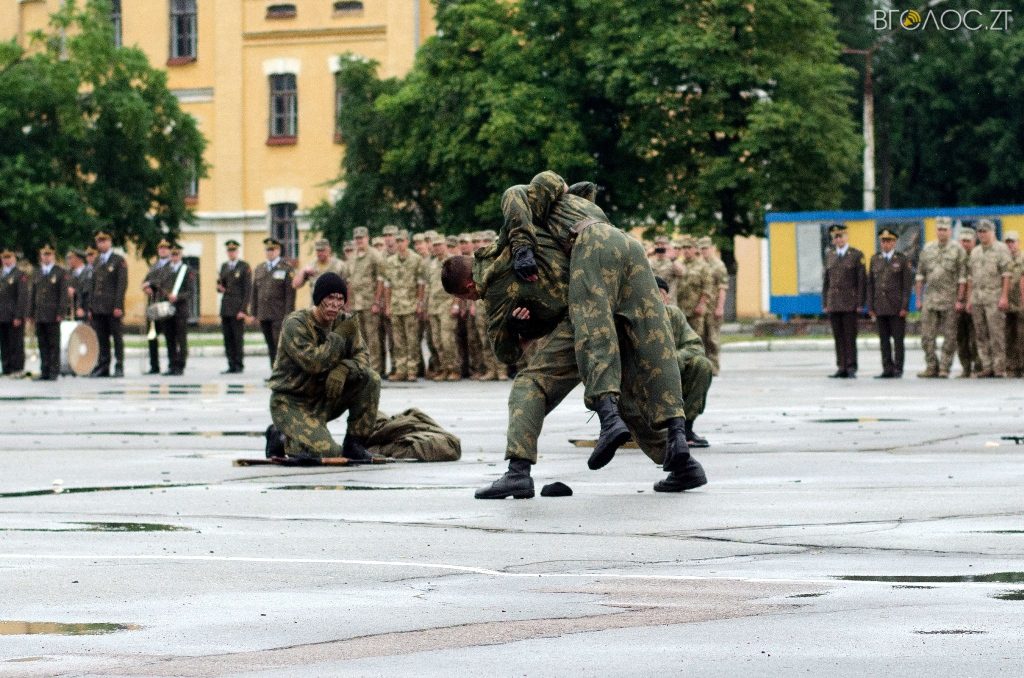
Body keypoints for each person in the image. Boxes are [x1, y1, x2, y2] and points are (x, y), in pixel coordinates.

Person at [444, 172, 700, 496]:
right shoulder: (539, 220)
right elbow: (550, 184)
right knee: (653, 352)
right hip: (627, 252)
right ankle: (679, 454)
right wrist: (527, 320)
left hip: (587, 292)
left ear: (467, 286)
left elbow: (505, 353)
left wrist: (517, 327)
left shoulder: (496, 281)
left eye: (468, 297)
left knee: (532, 383)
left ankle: (520, 469)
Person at [267, 273, 377, 462]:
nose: (335, 304)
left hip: (324, 396)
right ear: (319, 299)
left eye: (340, 299)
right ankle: (281, 436)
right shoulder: (296, 324)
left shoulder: (345, 322)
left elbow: (363, 357)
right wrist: (339, 337)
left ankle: (355, 443)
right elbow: (314, 363)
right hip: (291, 401)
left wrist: (344, 368)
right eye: (330, 298)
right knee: (329, 453)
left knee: (370, 378)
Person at [656, 276, 714, 447]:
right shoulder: (633, 317)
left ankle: (684, 428)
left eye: (660, 294)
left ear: (666, 298)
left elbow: (695, 346)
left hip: (672, 372)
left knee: (702, 365)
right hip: (642, 379)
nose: (656, 299)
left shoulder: (674, 315)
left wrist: (673, 360)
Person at [915, 217, 967, 378]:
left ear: (950, 231)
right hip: (930, 299)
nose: (942, 232)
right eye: (939, 229)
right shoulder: (927, 248)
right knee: (926, 336)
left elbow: (962, 277)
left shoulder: (958, 250)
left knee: (950, 336)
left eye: (945, 229)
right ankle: (931, 366)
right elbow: (920, 275)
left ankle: (945, 367)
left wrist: (960, 299)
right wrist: (918, 298)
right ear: (936, 231)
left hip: (949, 299)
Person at [965, 219, 1012, 378]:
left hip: (994, 297)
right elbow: (970, 277)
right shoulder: (975, 252)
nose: (982, 234)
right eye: (979, 232)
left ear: (992, 232)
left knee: (996, 333)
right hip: (978, 298)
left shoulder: (1001, 249)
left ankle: (999, 367)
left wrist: (1004, 296)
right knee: (980, 333)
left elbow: (1006, 275)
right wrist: (969, 299)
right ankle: (987, 365)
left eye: (985, 231)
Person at [867, 228, 914, 378]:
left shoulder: (902, 259)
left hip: (896, 306)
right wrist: (871, 306)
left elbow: (906, 286)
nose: (885, 244)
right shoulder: (875, 259)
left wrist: (904, 306)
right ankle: (887, 368)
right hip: (880, 306)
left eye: (889, 241)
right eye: (883, 241)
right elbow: (871, 284)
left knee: (898, 340)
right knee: (884, 340)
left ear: (894, 242)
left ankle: (898, 368)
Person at [822, 223, 865, 378]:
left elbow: (861, 281)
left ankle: (851, 367)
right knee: (838, 337)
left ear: (846, 237)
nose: (838, 239)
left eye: (841, 236)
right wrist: (825, 303)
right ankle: (841, 366)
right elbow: (826, 281)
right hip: (834, 302)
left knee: (849, 336)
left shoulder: (856, 255)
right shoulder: (830, 255)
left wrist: (860, 303)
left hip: (849, 302)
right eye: (835, 237)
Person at [384, 230, 426, 381]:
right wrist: (388, 305)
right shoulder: (390, 261)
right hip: (396, 306)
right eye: (397, 241)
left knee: (412, 340)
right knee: (398, 341)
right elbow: (387, 285)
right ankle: (401, 370)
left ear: (407, 242)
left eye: (402, 241)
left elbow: (421, 283)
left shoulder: (416, 259)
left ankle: (412, 370)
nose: (400, 244)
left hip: (411, 305)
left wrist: (419, 303)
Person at [89, 229, 128, 378]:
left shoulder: (118, 260)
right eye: (99, 241)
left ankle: (119, 365)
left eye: (104, 241)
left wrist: (118, 305)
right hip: (98, 307)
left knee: (117, 337)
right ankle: (103, 365)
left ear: (110, 242)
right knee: (101, 337)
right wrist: (91, 306)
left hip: (112, 306)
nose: (101, 244)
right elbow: (93, 284)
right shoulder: (97, 261)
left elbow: (121, 285)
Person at [251, 237, 296, 367]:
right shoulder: (260, 268)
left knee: (279, 344)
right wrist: (254, 313)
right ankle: (274, 370)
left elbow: (290, 294)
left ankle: (282, 370)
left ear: (278, 250)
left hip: (279, 313)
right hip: (264, 313)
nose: (270, 252)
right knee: (270, 344)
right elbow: (254, 292)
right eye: (267, 250)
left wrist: (288, 314)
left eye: (272, 249)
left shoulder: (286, 268)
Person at [27, 245, 68, 381]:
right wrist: (30, 313)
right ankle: (44, 370)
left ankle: (53, 371)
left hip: (53, 313)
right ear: (41, 256)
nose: (46, 257)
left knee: (53, 344)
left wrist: (61, 312)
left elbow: (63, 294)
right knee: (42, 343)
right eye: (44, 255)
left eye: (49, 254)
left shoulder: (60, 272)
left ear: (53, 256)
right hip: (39, 313)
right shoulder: (37, 272)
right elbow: (32, 294)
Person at [426, 235, 459, 381]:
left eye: (440, 244)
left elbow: (459, 284)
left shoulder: (452, 261)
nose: (437, 248)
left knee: (447, 339)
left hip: (447, 303)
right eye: (435, 245)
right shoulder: (432, 263)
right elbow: (428, 285)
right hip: (433, 305)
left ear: (445, 245)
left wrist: (456, 304)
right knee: (437, 340)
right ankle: (444, 368)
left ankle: (454, 369)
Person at [217, 240, 252, 374]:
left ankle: (238, 364)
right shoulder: (224, 266)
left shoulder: (244, 266)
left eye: (233, 251)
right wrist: (219, 288)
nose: (231, 253)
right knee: (227, 338)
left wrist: (243, 310)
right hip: (226, 307)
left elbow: (247, 290)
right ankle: (231, 364)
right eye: (229, 251)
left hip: (237, 308)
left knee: (237, 338)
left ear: (237, 252)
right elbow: (222, 284)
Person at [161, 244, 196, 376]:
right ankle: (172, 364)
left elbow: (190, 291)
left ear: (180, 256)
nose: (174, 257)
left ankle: (180, 365)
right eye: (173, 255)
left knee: (181, 338)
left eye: (177, 255)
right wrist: (166, 295)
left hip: (181, 309)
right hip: (167, 308)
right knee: (169, 338)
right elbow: (161, 286)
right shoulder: (165, 269)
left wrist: (178, 297)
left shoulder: (187, 270)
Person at [675, 235, 715, 343]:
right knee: (680, 340)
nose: (686, 250)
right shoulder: (678, 265)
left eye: (689, 247)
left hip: (695, 310)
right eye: (684, 247)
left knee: (695, 340)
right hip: (680, 309)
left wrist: (701, 305)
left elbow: (707, 288)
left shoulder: (703, 266)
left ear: (695, 249)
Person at [698, 236, 729, 375]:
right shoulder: (699, 264)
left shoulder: (718, 265)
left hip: (713, 307)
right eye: (701, 249)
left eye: (705, 248)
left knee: (712, 338)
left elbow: (722, 288)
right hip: (701, 307)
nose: (703, 251)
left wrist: (720, 307)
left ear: (711, 248)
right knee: (701, 337)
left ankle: (714, 366)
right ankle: (704, 366)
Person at [141, 239, 172, 375]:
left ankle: (172, 364)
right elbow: (145, 281)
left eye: (165, 248)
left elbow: (163, 283)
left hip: (165, 305)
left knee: (169, 336)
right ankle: (154, 365)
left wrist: (152, 284)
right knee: (152, 336)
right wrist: (146, 287)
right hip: (153, 305)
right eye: (160, 248)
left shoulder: (171, 266)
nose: (163, 250)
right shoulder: (154, 266)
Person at [955, 228, 982, 378]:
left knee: (976, 336)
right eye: (963, 241)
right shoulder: (956, 257)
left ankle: (978, 367)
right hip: (958, 303)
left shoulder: (979, 256)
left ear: (974, 242)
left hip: (976, 302)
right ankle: (965, 368)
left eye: (968, 241)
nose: (965, 244)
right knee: (960, 337)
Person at [0, 246, 29, 377]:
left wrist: (19, 315)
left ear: (14, 258)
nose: (6, 260)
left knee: (16, 342)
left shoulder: (19, 274)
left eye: (9, 257)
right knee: (4, 342)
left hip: (14, 314)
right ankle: (6, 368)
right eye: (4, 257)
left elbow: (22, 296)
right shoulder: (1, 274)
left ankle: (17, 368)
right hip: (2, 314)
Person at [1004, 231, 1024, 378]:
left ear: (1018, 243)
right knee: (1008, 336)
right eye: (1008, 242)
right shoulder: (1003, 259)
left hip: (1020, 302)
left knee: (1021, 335)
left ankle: (1022, 366)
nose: (1010, 245)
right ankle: (1011, 366)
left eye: (1012, 242)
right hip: (1006, 303)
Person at [65, 249, 92, 321]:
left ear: (79, 259)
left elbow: (88, 290)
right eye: (67, 258)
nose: (68, 261)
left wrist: (74, 291)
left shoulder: (89, 272)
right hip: (71, 311)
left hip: (85, 308)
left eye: (70, 258)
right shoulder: (68, 273)